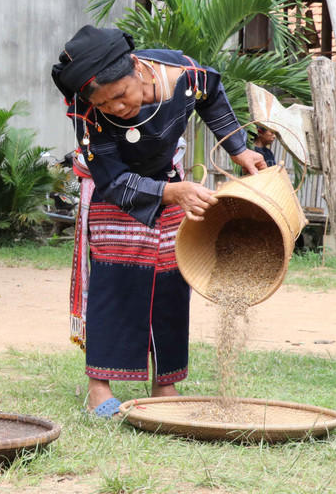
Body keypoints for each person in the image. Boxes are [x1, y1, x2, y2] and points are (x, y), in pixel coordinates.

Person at [50, 26, 265, 418]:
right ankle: (99, 387)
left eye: (120, 95)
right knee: (116, 280)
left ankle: (165, 382)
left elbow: (212, 93)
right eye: (104, 103)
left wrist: (239, 149)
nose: (116, 108)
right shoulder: (87, 110)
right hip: (115, 189)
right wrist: (172, 193)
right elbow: (112, 180)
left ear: (137, 67)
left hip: (168, 178)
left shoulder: (181, 74)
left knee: (170, 279)